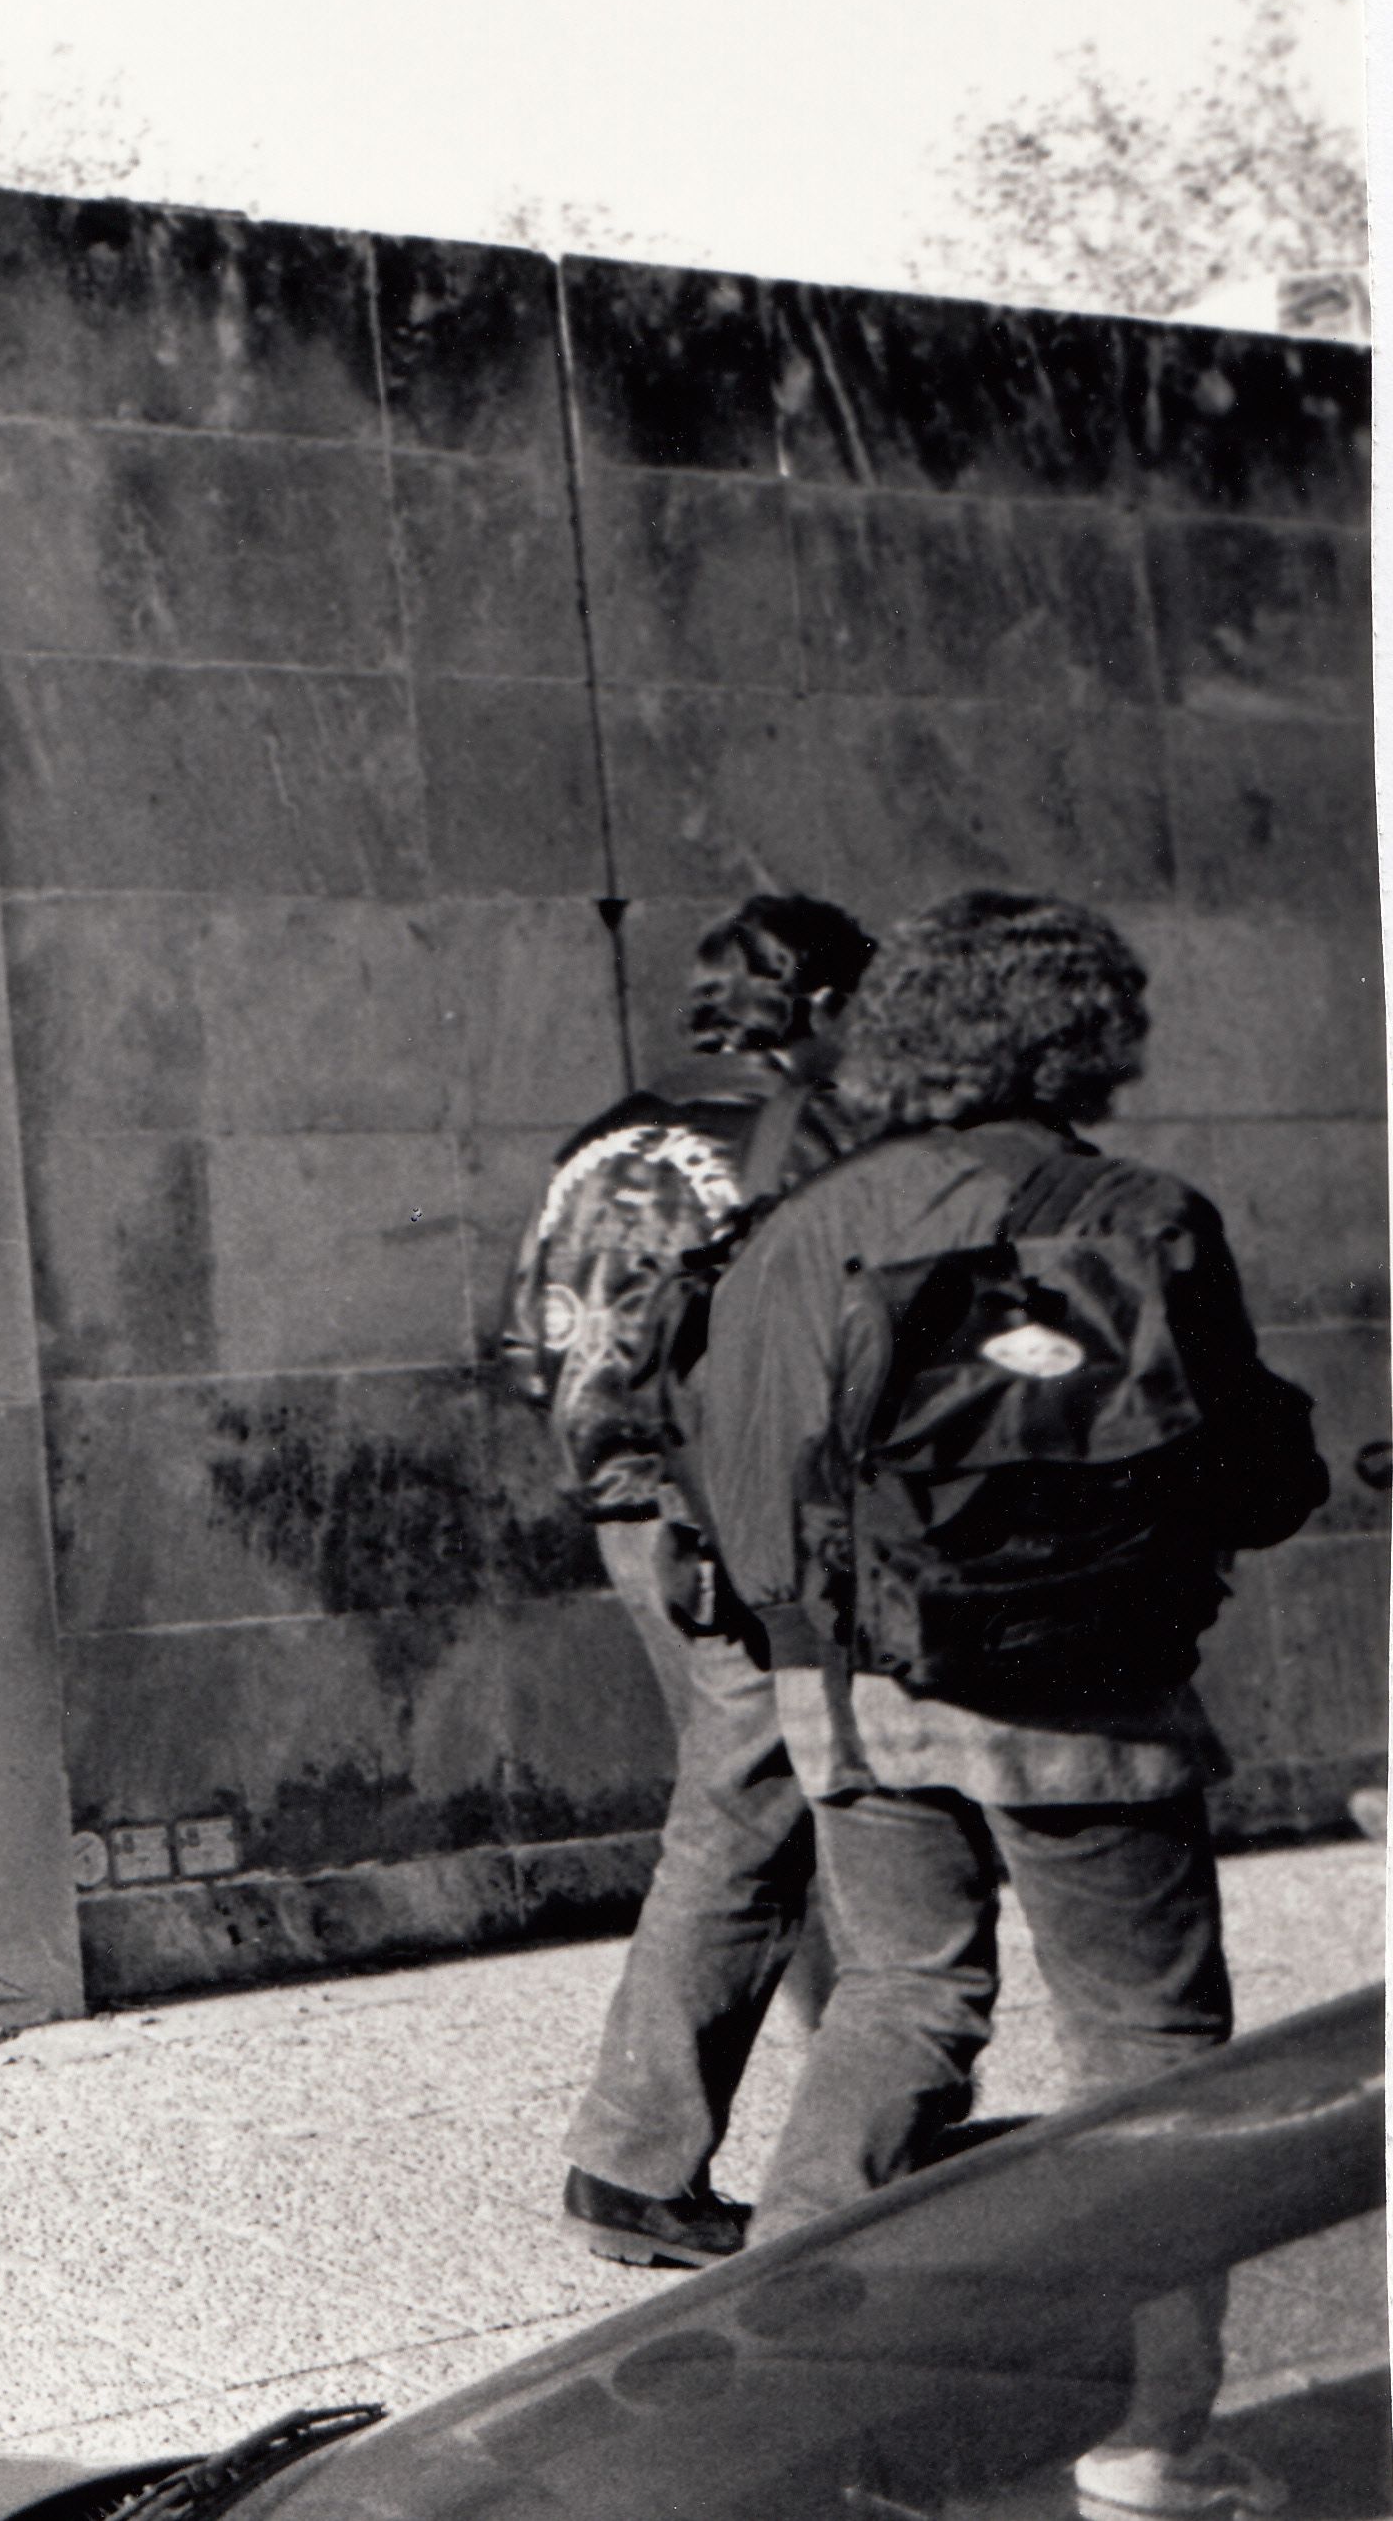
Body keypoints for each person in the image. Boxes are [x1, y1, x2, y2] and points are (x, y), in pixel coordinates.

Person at [694, 892, 1324, 2519]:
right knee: (1152, 2052)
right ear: (1081, 1028)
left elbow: (739, 1477)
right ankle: (1154, 2436)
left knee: (899, 2002)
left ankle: (777, 2379)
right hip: (1084, 1697)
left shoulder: (802, 1222)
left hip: (843, 1691)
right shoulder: (1140, 1213)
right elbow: (1253, 1475)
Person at [506, 892, 875, 2265]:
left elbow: (535, 1333)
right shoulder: (804, 1134)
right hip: (736, 1518)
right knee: (753, 1808)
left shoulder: (603, 1133)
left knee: (769, 1798)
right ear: (822, 1005)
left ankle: (871, 2104)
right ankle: (633, 2163)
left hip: (618, 1498)